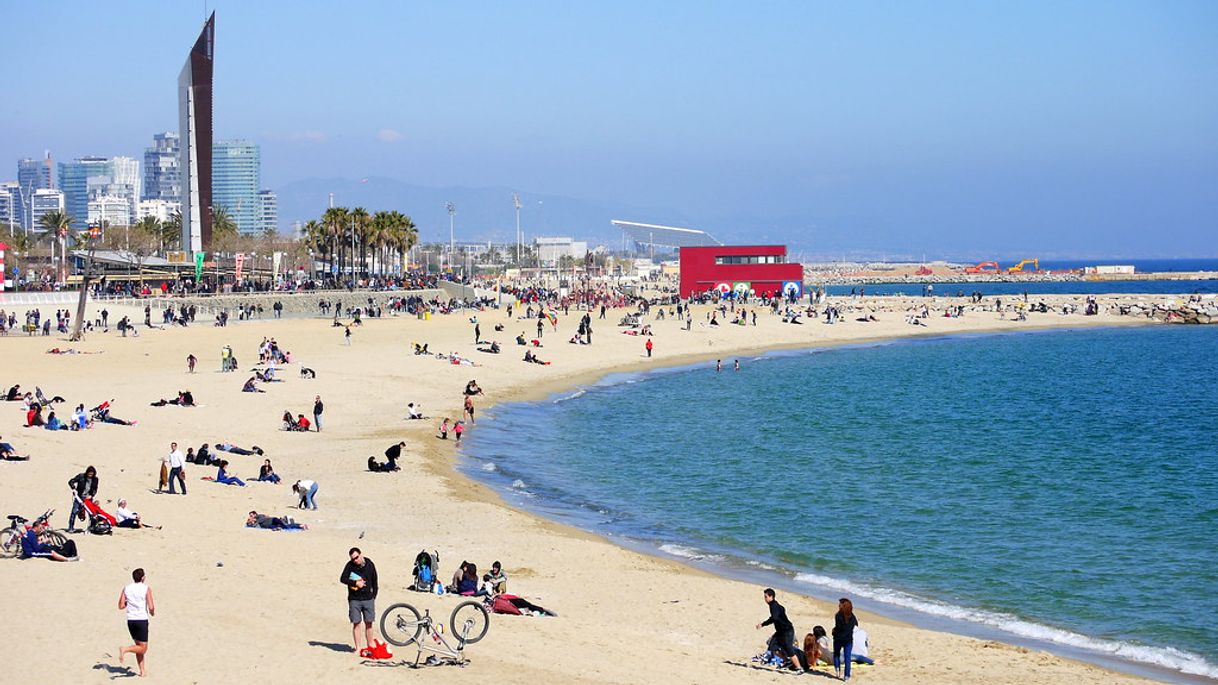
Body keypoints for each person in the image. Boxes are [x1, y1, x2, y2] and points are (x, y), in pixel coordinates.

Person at [340, 547, 378, 654]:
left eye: (356, 558)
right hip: (354, 599)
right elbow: (343, 578)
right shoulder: (349, 565)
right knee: (356, 623)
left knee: (369, 623)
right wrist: (355, 583)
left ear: (361, 555)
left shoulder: (370, 564)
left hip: (368, 599)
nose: (355, 560)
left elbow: (375, 580)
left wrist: (373, 596)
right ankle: (358, 647)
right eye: (353, 559)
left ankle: (370, 645)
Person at [756, 588, 804, 672]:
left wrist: (763, 624)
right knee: (773, 647)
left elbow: (774, 618)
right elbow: (777, 614)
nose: (765, 599)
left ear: (771, 597)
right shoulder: (774, 605)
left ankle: (799, 668)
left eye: (766, 597)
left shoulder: (774, 606)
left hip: (787, 631)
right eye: (764, 597)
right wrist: (763, 624)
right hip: (780, 632)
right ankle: (787, 661)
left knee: (789, 649)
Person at [118, 568, 154, 677]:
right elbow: (151, 606)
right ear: (143, 578)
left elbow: (121, 606)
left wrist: (128, 602)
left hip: (130, 620)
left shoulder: (126, 588)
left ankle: (142, 671)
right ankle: (125, 649)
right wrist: (152, 612)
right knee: (143, 648)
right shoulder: (146, 588)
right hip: (141, 619)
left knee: (139, 646)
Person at [833, 597, 859, 680]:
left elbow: (838, 628)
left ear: (843, 606)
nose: (838, 605)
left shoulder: (838, 616)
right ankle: (846, 676)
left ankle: (837, 670)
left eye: (840, 604)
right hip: (848, 640)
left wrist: (834, 631)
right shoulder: (853, 617)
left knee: (836, 654)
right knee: (847, 657)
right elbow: (856, 626)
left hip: (838, 639)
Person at [67, 466, 99, 532]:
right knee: (74, 511)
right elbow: (71, 481)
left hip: (88, 498)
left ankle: (92, 527)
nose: (90, 475)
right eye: (89, 474)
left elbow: (95, 489)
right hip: (79, 497)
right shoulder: (81, 476)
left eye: (91, 474)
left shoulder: (95, 479)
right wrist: (73, 488)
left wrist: (91, 495)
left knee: (91, 513)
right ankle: (71, 527)